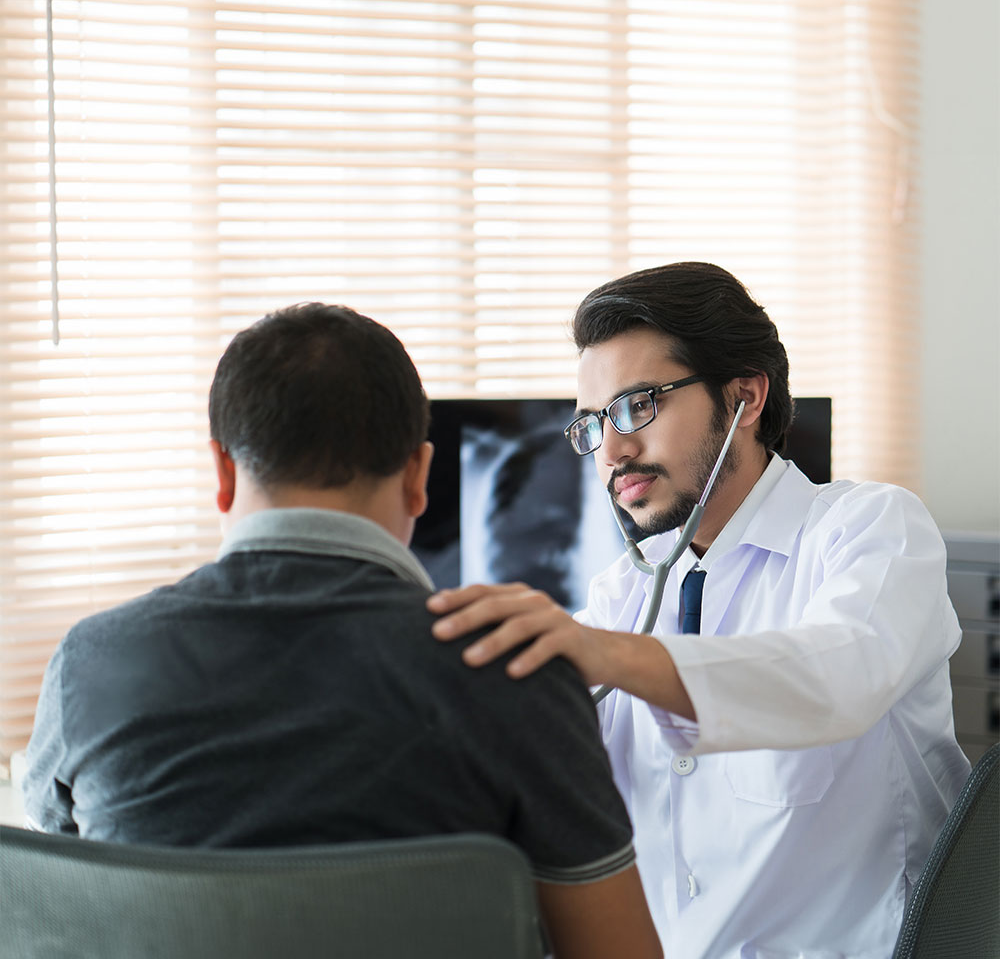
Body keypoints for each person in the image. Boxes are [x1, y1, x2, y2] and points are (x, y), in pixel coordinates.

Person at [22, 303, 662, 959]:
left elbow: (68, 893)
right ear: (419, 477)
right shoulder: (518, 668)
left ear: (221, 472)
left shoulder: (89, 664)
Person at [429, 262, 971, 959]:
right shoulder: (624, 592)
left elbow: (837, 676)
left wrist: (608, 654)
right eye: (593, 425)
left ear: (744, 397)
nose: (613, 450)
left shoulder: (869, 528)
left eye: (636, 406)